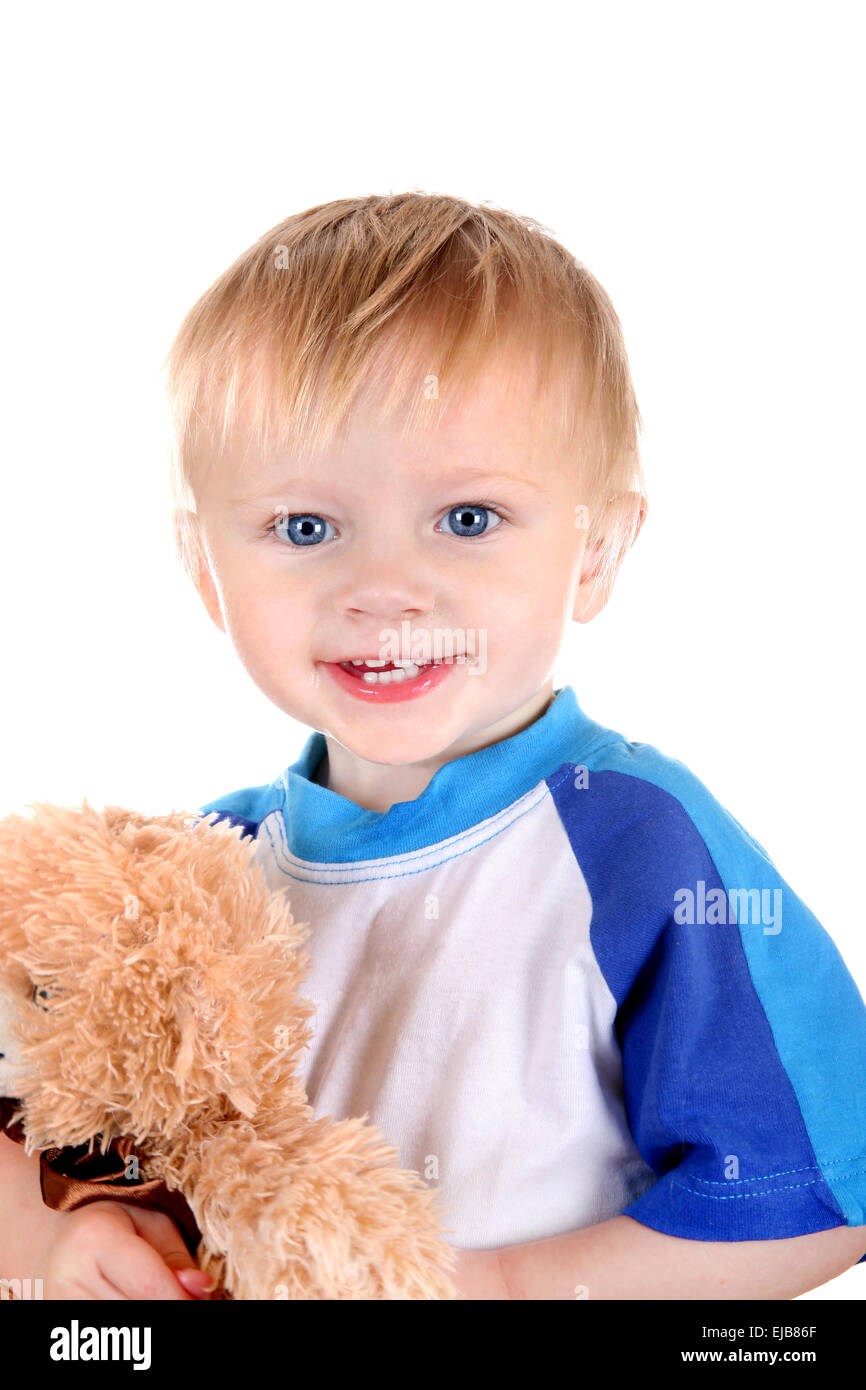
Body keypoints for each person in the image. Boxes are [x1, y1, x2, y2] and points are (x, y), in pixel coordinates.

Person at [3, 192, 864, 1299]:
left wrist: (489, 1288)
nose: (384, 591)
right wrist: (55, 1246)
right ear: (207, 571)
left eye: (466, 518)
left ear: (595, 551)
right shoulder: (189, 874)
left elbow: (818, 1196)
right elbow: (39, 1131)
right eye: (304, 528)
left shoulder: (637, 844)